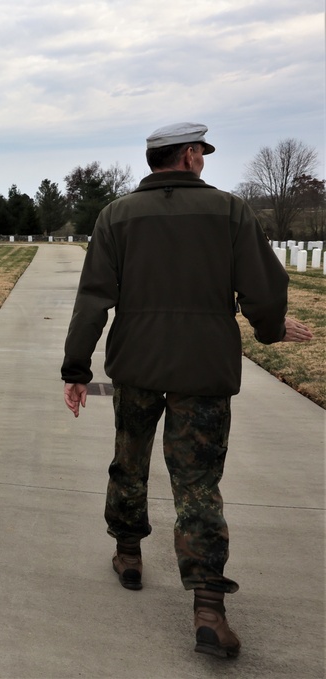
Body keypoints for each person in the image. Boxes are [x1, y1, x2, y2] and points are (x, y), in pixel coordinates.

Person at [61, 122, 313, 658]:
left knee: (129, 459)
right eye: (201, 153)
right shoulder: (230, 212)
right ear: (191, 156)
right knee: (197, 483)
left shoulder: (116, 216)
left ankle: (128, 553)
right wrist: (269, 329)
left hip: (136, 365)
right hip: (202, 369)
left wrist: (76, 369)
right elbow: (264, 289)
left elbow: (92, 301)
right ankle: (207, 609)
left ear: (155, 161)